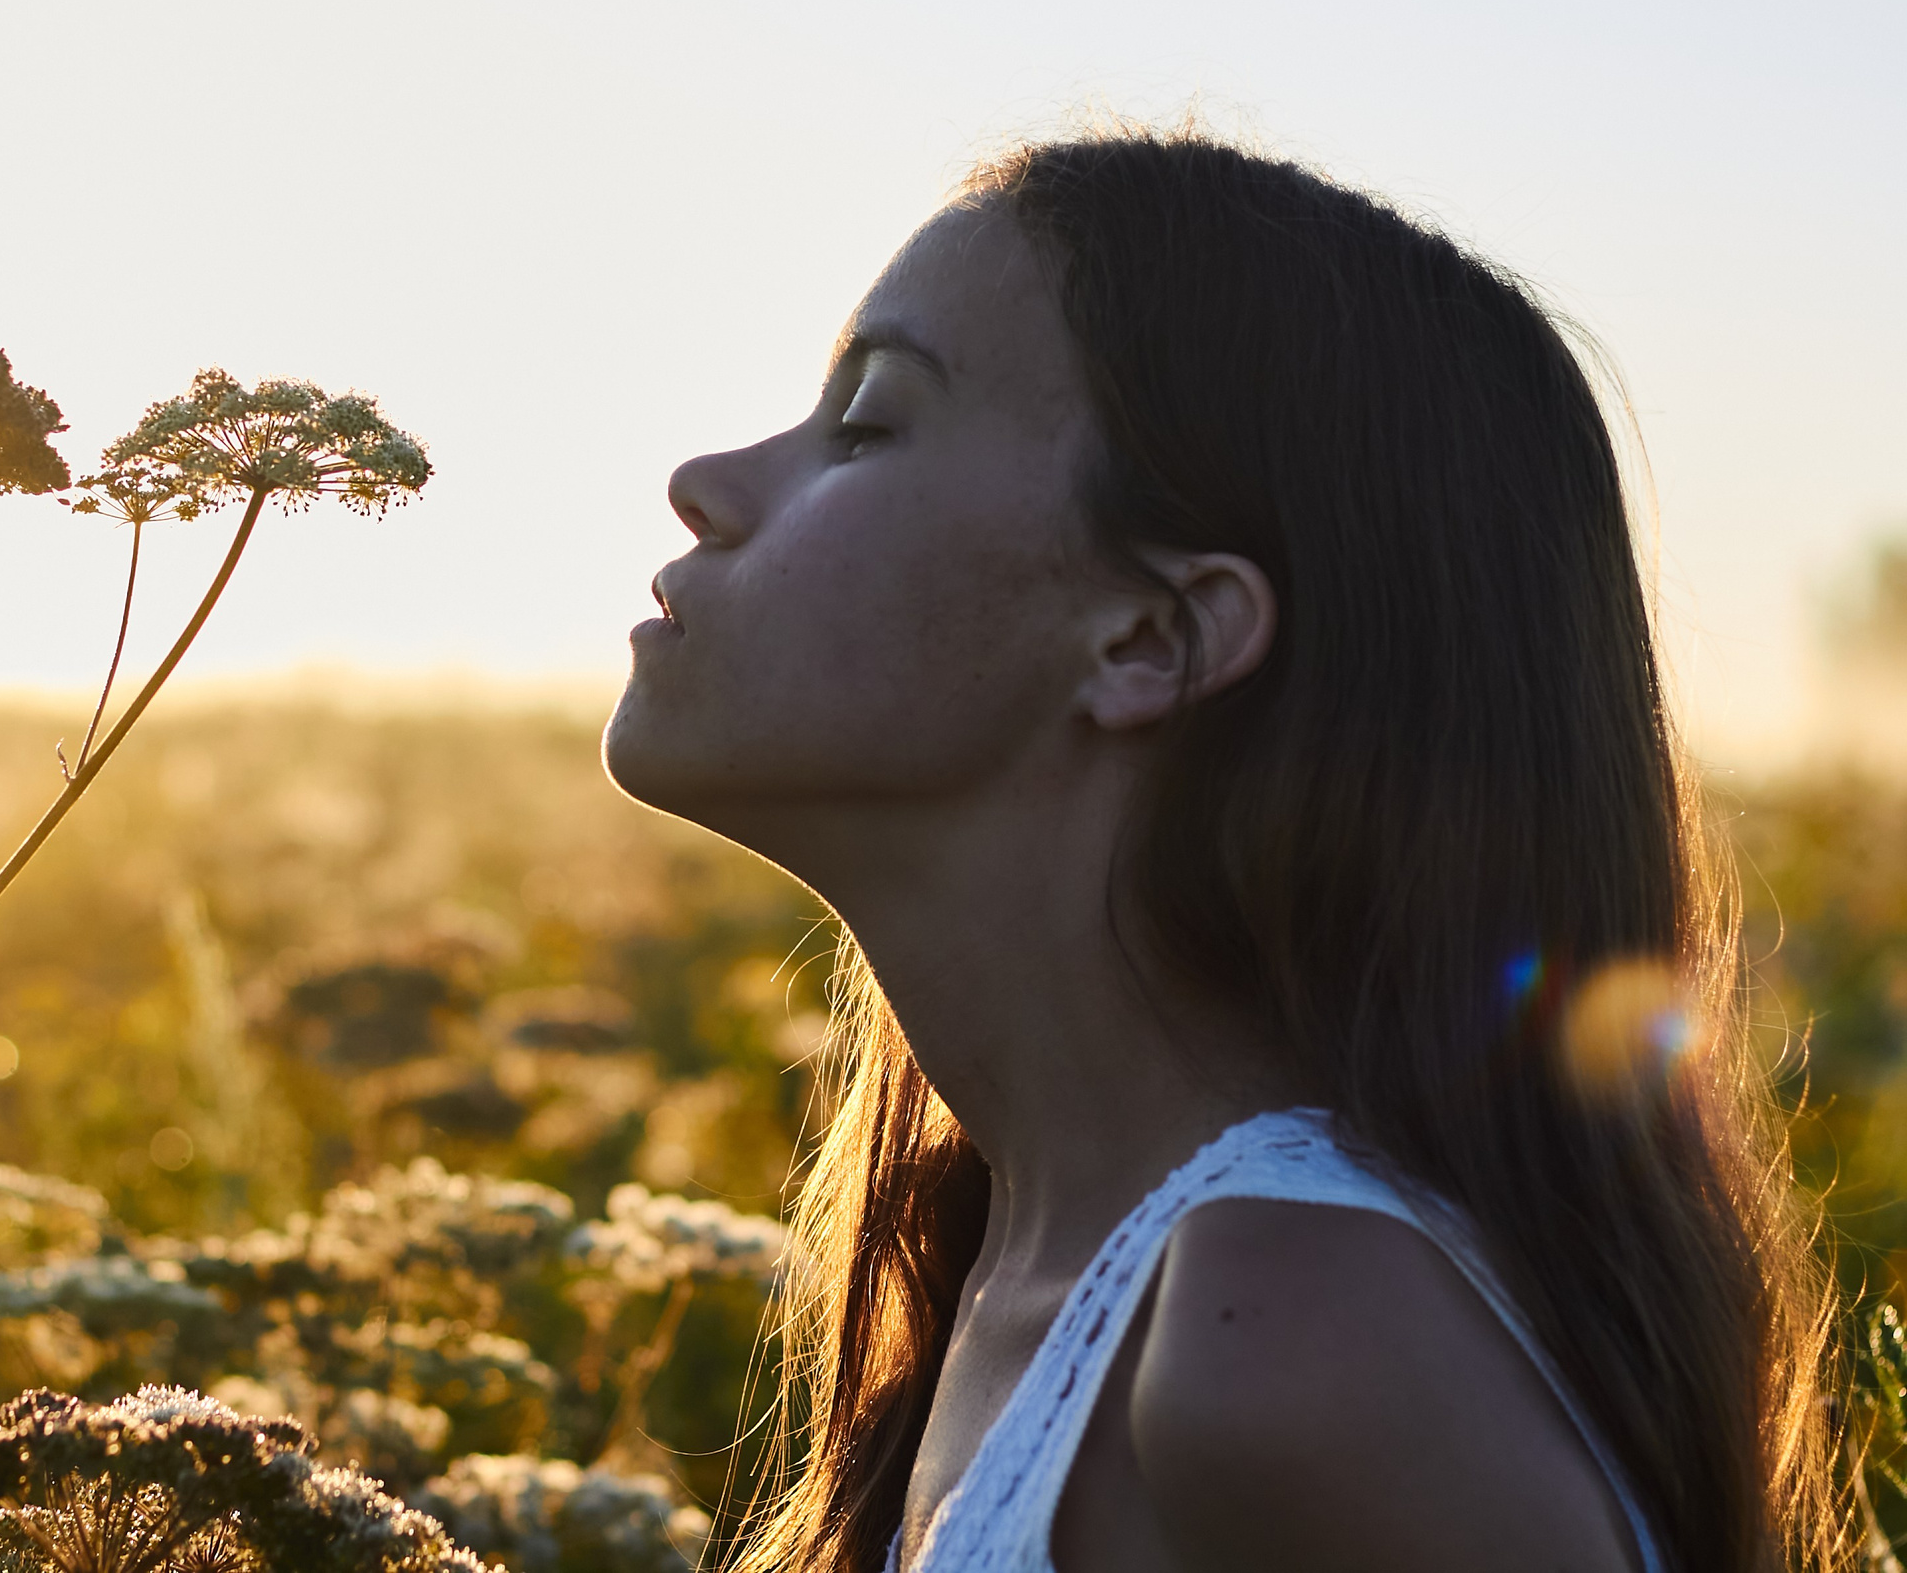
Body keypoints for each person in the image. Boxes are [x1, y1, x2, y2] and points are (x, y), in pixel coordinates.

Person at [601, 128, 1839, 1573]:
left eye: (869, 422)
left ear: (1150, 638)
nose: (706, 480)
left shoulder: (1293, 1336)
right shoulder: (1010, 1265)